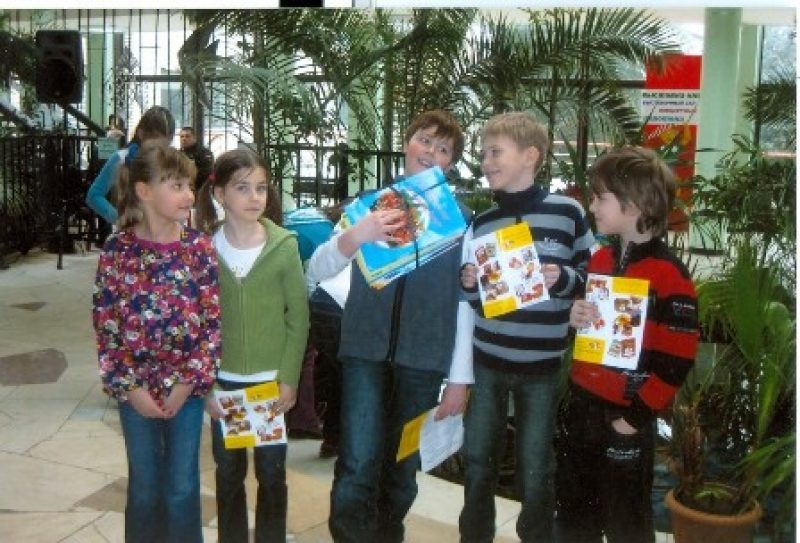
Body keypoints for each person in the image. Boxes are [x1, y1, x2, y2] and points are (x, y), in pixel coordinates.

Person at [305, 109, 472, 543]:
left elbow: (465, 304)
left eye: (443, 149)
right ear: (406, 142)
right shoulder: (368, 205)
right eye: (424, 141)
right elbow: (317, 269)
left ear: (450, 163)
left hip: (424, 362)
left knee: (401, 470)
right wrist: (357, 235)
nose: (430, 153)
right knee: (357, 464)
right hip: (364, 354)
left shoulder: (459, 222)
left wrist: (459, 378)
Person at [456, 111, 594, 543]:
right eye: (483, 154)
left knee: (536, 467)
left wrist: (564, 278)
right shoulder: (482, 224)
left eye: (495, 152)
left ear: (530, 156)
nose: (486, 162)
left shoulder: (568, 213)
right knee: (478, 461)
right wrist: (470, 285)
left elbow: (593, 275)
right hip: (488, 363)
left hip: (542, 368)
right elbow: (479, 303)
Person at [554, 146, 699, 543]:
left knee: (627, 524)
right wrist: (574, 317)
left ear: (634, 204)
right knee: (573, 518)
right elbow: (587, 332)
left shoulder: (670, 277)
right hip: (581, 409)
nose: (592, 206)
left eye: (600, 197)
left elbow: (676, 362)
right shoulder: (600, 260)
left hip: (626, 419)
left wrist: (632, 420)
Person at [92, 142, 220, 543]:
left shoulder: (199, 248)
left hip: (186, 390)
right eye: (176, 186)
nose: (188, 195)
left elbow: (211, 326)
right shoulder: (117, 251)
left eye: (189, 186)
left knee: (182, 487)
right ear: (145, 191)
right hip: (137, 392)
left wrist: (188, 384)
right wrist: (131, 389)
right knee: (145, 488)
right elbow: (107, 328)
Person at [195, 148, 309, 543]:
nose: (254, 197)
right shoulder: (204, 249)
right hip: (224, 385)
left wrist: (288, 378)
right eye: (242, 188)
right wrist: (207, 385)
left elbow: (298, 318)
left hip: (269, 385)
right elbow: (198, 323)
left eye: (261, 187)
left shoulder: (284, 245)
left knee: (272, 473)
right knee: (228, 474)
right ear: (220, 194)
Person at [87, 105, 176, 225]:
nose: (161, 143)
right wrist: (120, 219)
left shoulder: (172, 160)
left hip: (165, 229)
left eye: (168, 138)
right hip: (131, 230)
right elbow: (94, 195)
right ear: (141, 133)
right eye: (155, 136)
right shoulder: (122, 158)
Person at [180, 126, 215, 194]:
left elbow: (206, 173)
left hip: (200, 190)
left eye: (187, 136)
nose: (184, 139)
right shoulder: (178, 153)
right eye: (182, 136)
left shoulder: (204, 153)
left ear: (194, 138)